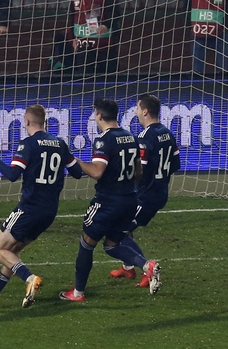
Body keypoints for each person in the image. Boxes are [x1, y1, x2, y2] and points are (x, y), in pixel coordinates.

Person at [0, 104, 83, 308]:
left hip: (29, 208)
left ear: (27, 121)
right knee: (11, 252)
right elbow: (76, 172)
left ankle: (30, 279)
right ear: (45, 121)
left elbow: (12, 175)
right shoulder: (59, 143)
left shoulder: (28, 144)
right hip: (49, 211)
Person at [59, 98, 161, 303]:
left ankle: (77, 293)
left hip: (107, 201)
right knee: (112, 245)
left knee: (86, 244)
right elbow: (138, 171)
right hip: (129, 199)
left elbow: (97, 172)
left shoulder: (104, 140)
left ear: (98, 115)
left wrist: (74, 160)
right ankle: (146, 265)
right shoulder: (131, 137)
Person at [110, 94, 181, 287]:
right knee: (123, 223)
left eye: (137, 108)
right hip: (160, 191)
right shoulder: (168, 133)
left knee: (116, 233)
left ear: (145, 111)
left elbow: (139, 170)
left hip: (146, 196)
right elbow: (175, 164)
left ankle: (145, 269)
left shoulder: (144, 137)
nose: (135, 112)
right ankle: (127, 267)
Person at [49, 0, 122, 75]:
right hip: (81, 44)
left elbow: (115, 13)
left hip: (103, 45)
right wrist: (72, 38)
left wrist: (106, 25)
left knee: (107, 74)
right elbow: (72, 16)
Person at [188, 0, 228, 75]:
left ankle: (223, 83)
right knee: (197, 69)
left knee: (223, 70)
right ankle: (197, 83)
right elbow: (187, 3)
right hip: (198, 31)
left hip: (220, 30)